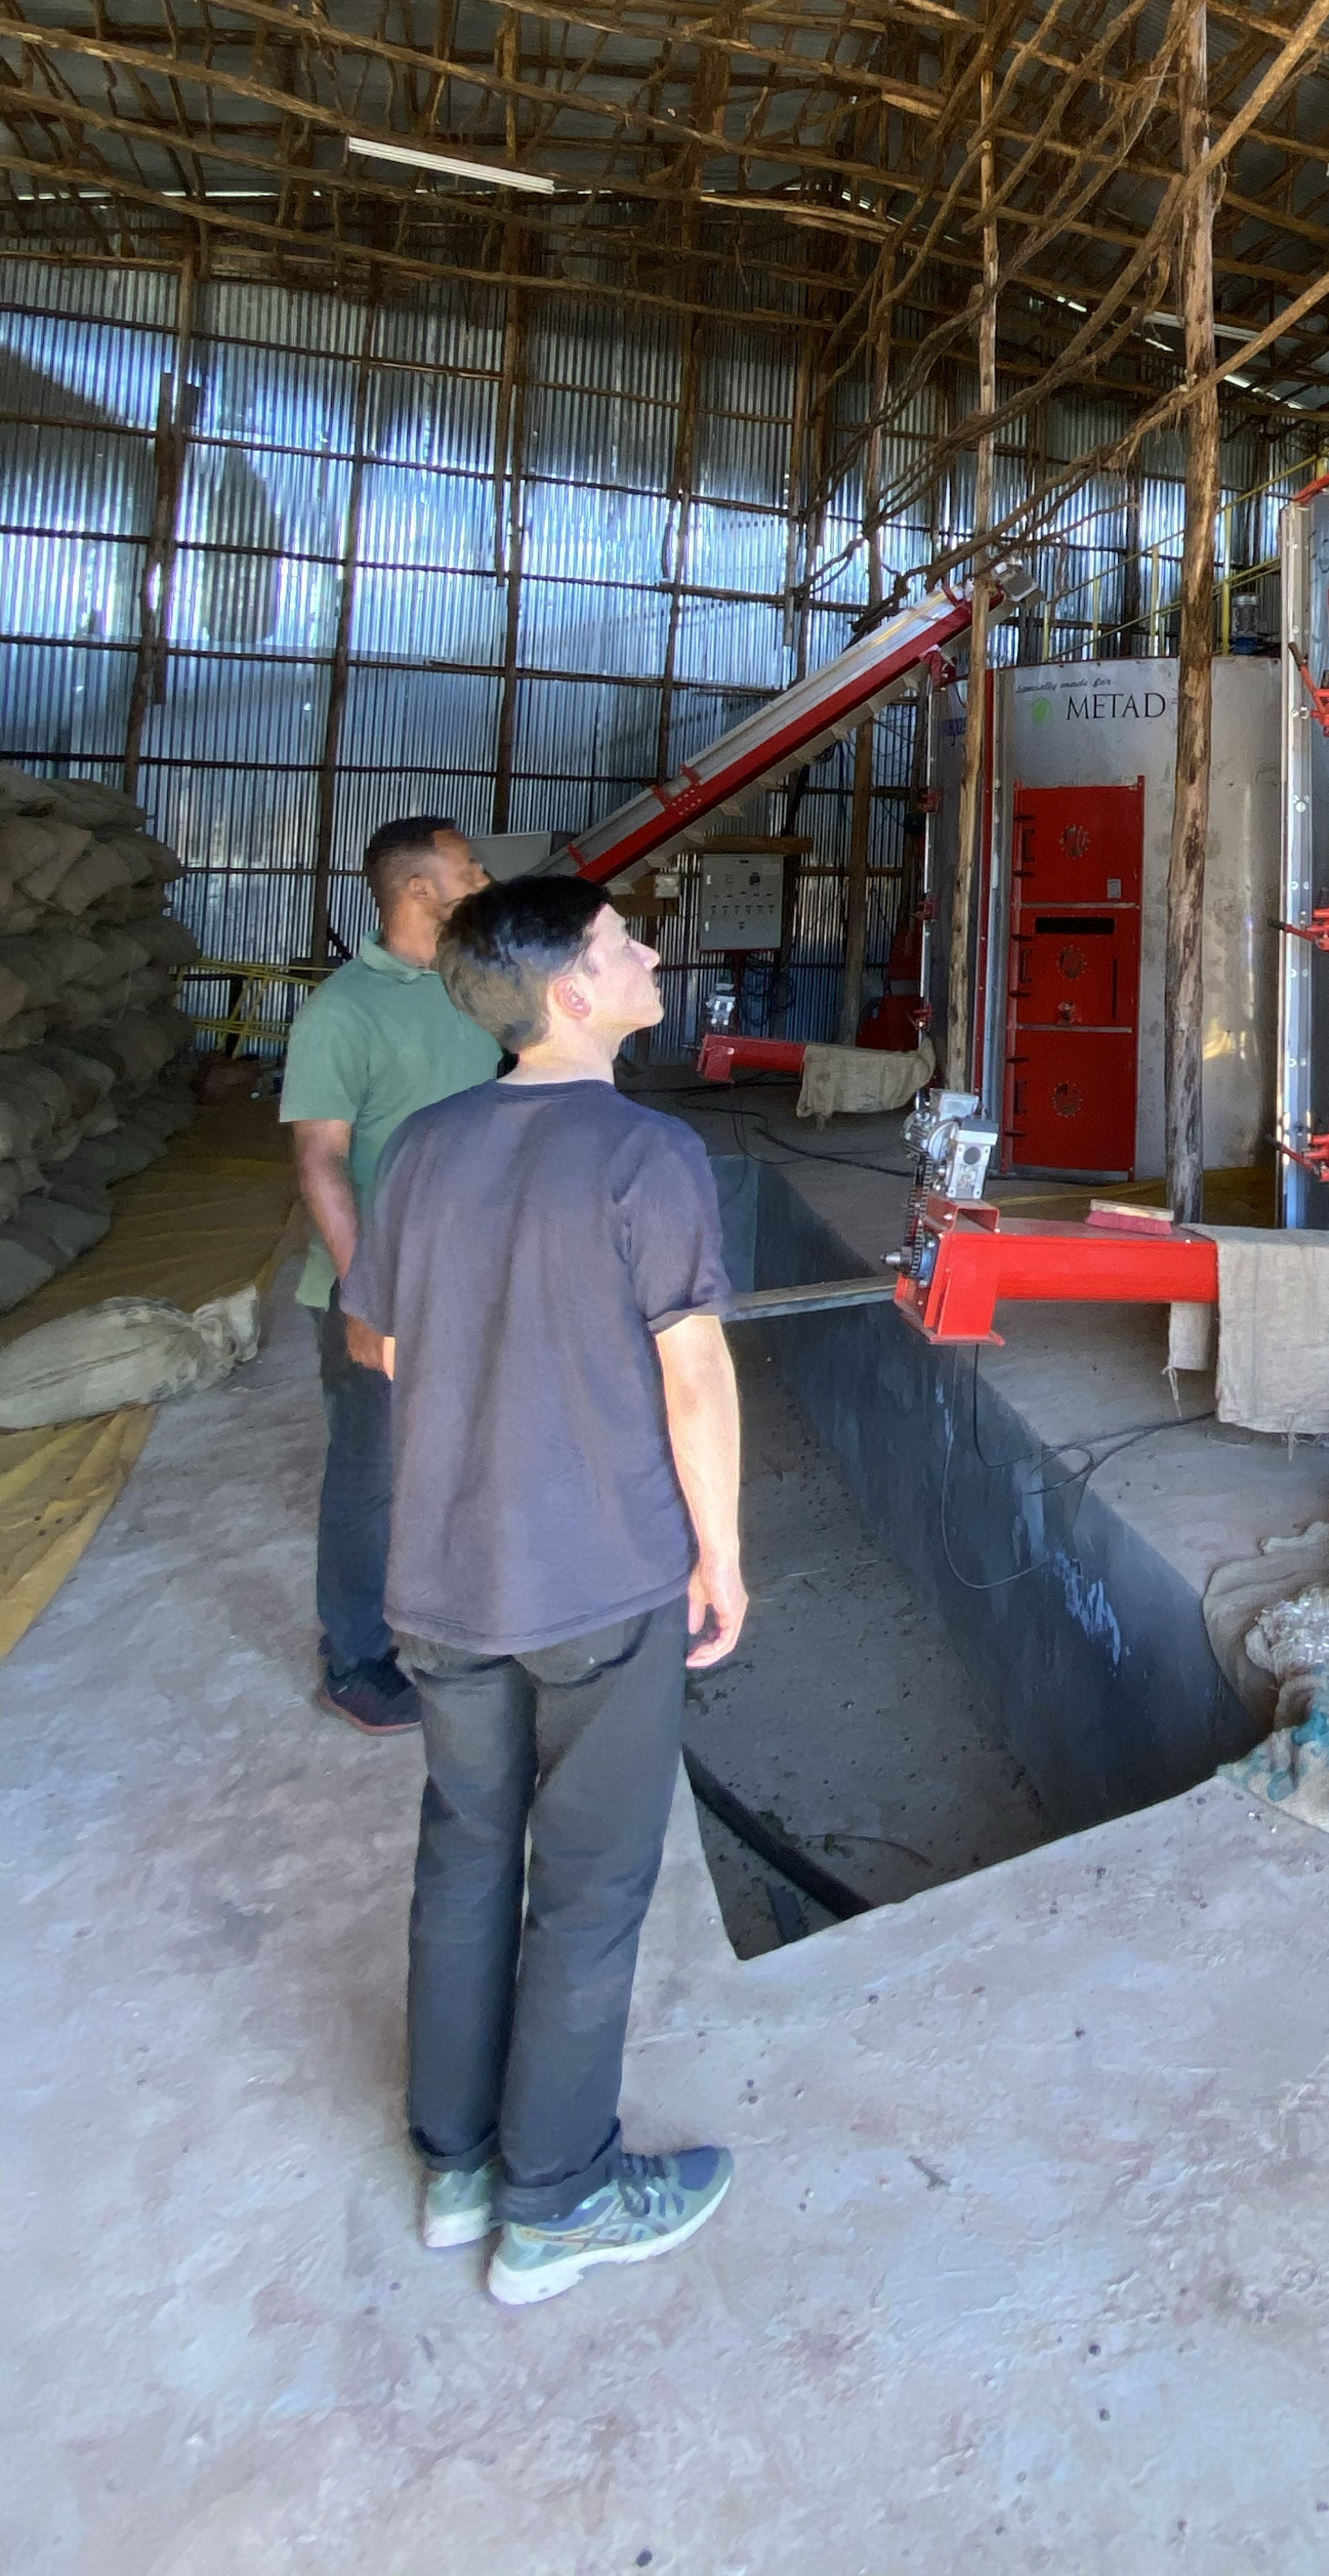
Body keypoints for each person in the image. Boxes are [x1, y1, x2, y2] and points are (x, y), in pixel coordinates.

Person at [344, 874, 746, 2306]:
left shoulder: (430, 1150)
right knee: (586, 1887)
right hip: (596, 1585)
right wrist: (722, 1556)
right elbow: (692, 1378)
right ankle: (558, 2198)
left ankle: (455, 2166)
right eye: (622, 941)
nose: (646, 953)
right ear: (574, 993)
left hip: (441, 1580)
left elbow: (380, 1348)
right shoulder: (647, 1157)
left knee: (464, 1854)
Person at [281, 815, 495, 1731]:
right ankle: (357, 1658)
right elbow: (321, 1163)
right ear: (418, 891)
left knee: (463, 1456)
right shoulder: (343, 1011)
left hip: (473, 1278)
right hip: (380, 1289)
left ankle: (458, 1615)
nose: (483, 878)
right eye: (469, 867)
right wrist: (365, 1291)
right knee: (370, 1475)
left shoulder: (473, 990)